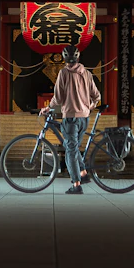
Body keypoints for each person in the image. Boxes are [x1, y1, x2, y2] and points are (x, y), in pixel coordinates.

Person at [40, 44, 101, 194]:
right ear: (78, 57)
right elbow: (97, 96)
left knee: (71, 151)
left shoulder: (64, 73)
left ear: (64, 58)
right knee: (72, 147)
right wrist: (88, 107)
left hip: (71, 118)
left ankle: (76, 185)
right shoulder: (87, 73)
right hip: (84, 119)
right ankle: (84, 174)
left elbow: (58, 97)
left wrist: (48, 108)